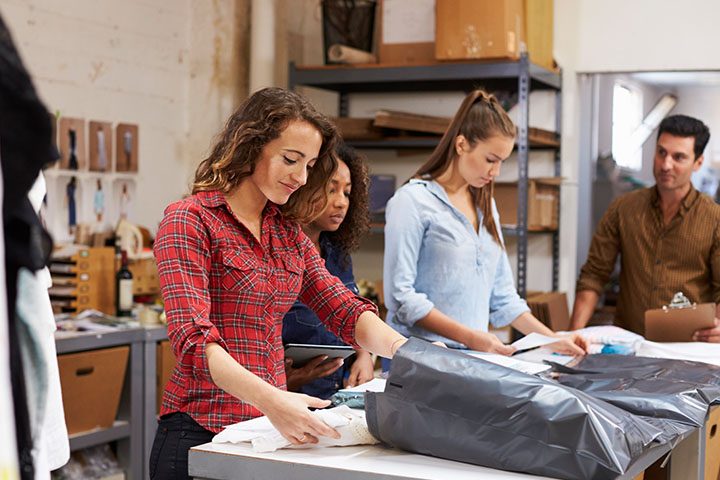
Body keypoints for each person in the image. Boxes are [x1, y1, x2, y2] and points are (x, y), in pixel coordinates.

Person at [150, 87, 408, 480]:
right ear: (250, 145)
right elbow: (194, 341)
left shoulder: (285, 233)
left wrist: (409, 353)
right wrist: (274, 401)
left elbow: (343, 309)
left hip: (266, 435)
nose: (300, 177)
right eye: (290, 159)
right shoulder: (189, 221)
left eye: (309, 165)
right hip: (200, 432)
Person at [383, 89, 586, 356]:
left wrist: (553, 340)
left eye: (502, 161)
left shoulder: (485, 206)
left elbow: (504, 297)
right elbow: (401, 298)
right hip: (420, 357)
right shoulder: (412, 201)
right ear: (461, 144)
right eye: (491, 160)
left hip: (472, 356)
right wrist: (471, 338)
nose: (496, 172)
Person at [571, 114, 720, 343]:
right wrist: (573, 336)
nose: (665, 164)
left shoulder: (714, 219)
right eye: (661, 152)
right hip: (631, 346)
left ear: (698, 162)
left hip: (690, 349)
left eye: (678, 157)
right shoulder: (623, 209)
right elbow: (594, 275)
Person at [282, 143, 374, 399]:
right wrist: (284, 380)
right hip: (286, 399)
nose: (341, 202)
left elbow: (351, 311)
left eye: (347, 193)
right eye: (331, 190)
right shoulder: (279, 252)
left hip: (332, 396)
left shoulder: (338, 254)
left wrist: (364, 356)